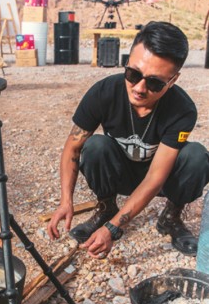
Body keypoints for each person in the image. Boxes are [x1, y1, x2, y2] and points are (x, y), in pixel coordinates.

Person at [47, 21, 209, 259]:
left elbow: (155, 177)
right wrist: (65, 201)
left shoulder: (182, 110)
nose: (139, 88)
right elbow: (72, 148)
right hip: (120, 173)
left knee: (196, 157)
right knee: (94, 147)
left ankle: (171, 217)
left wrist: (113, 228)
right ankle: (106, 208)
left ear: (172, 80)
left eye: (154, 83)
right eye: (133, 74)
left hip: (159, 179)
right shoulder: (104, 92)